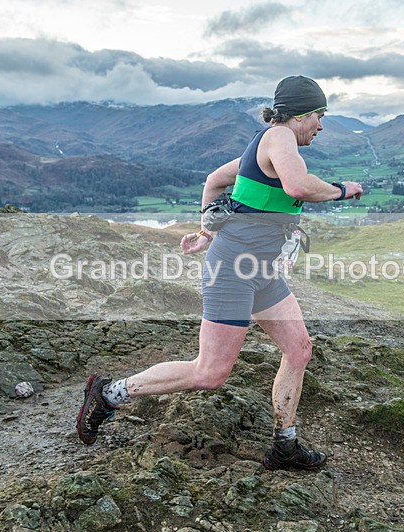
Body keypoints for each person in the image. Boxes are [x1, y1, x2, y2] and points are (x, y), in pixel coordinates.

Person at [76, 75, 363, 470]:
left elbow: (215, 181)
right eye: (319, 115)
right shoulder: (279, 137)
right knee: (210, 373)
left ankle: (285, 445)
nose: (321, 125)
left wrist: (205, 231)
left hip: (262, 271)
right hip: (232, 271)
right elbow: (297, 187)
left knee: (299, 350)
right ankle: (109, 393)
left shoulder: (266, 145)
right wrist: (343, 189)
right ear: (301, 114)